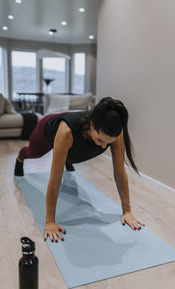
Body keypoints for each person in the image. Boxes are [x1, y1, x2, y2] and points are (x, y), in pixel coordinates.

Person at [14, 96, 145, 243]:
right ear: (92, 125)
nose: (103, 147)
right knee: (33, 153)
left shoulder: (114, 132)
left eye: (108, 143)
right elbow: (55, 180)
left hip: (71, 144)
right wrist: (50, 222)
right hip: (47, 131)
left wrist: (127, 211)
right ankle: (19, 159)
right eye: (100, 140)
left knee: (70, 156)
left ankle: (68, 159)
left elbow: (120, 174)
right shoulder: (66, 133)